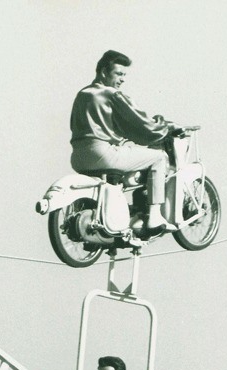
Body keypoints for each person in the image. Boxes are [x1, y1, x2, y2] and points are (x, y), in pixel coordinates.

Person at [70, 49, 180, 233]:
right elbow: (141, 124)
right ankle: (154, 216)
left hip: (79, 157)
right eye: (119, 74)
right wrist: (165, 126)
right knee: (159, 157)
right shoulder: (111, 94)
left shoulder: (82, 94)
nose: (122, 79)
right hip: (103, 153)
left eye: (124, 75)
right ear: (104, 72)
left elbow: (107, 125)